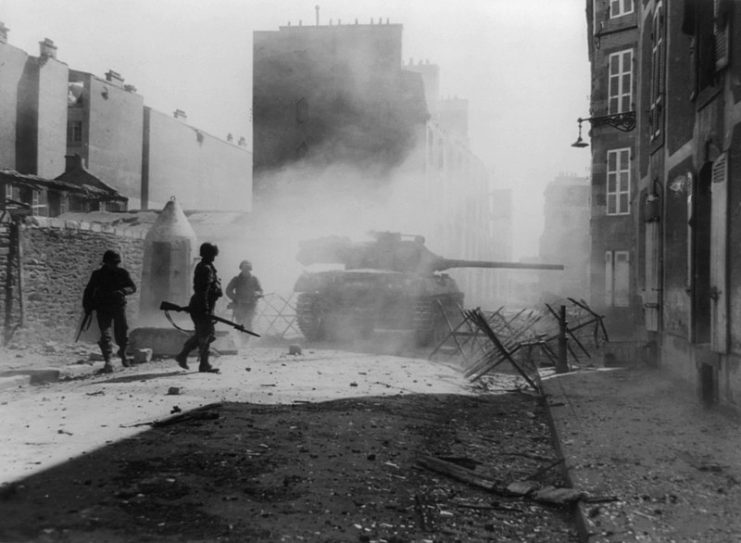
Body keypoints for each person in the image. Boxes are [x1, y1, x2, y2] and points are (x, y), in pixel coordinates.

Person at [82, 250, 137, 373]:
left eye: (116, 263)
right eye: (112, 263)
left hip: (118, 306)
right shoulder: (97, 274)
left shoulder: (122, 273)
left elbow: (132, 287)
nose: (115, 265)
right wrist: (87, 306)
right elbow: (89, 291)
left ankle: (122, 353)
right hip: (103, 307)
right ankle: (108, 360)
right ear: (106, 263)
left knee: (122, 331)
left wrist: (123, 291)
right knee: (105, 334)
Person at [175, 242, 222, 373]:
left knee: (206, 334)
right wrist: (205, 308)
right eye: (212, 254)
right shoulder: (205, 268)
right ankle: (201, 363)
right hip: (201, 305)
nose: (214, 257)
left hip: (204, 304)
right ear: (208, 254)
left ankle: (188, 357)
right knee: (205, 334)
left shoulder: (207, 267)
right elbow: (203, 290)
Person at [225, 260, 263, 343]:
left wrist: (257, 294)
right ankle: (242, 340)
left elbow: (260, 290)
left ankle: (246, 341)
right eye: (244, 269)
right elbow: (228, 290)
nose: (246, 271)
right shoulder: (236, 279)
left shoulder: (254, 279)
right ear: (241, 269)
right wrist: (236, 298)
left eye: (248, 269)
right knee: (239, 323)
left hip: (251, 305)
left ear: (250, 269)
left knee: (248, 322)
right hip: (239, 305)